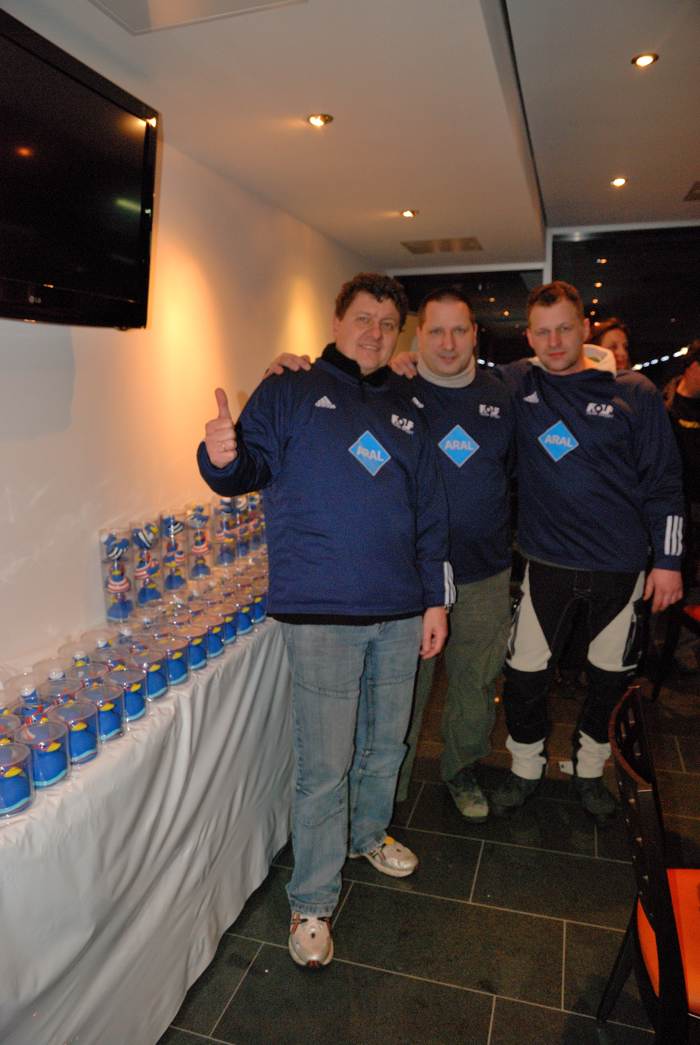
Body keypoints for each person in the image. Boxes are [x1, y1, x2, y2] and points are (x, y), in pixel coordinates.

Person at [197, 272, 453, 969]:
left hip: (400, 609)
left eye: (387, 324)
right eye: (363, 318)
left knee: (387, 744)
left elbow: (431, 510)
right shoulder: (289, 388)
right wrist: (217, 456)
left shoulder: (409, 404)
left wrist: (435, 600)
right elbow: (242, 468)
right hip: (320, 611)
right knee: (324, 765)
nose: (375, 332)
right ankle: (311, 899)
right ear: (336, 321)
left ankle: (368, 835)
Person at [267, 288, 514, 821]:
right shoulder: (393, 386)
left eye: (459, 330)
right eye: (435, 331)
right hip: (412, 580)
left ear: (475, 335)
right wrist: (289, 368)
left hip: (484, 571)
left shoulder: (503, 394)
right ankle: (389, 794)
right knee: (404, 698)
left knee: (474, 682)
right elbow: (335, 383)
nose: (448, 343)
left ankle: (461, 770)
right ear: (417, 337)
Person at [487, 281, 684, 825]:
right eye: (543, 332)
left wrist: (669, 562)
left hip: (619, 567)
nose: (554, 342)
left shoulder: (634, 392)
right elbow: (451, 376)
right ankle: (526, 767)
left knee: (609, 679)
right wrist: (405, 362)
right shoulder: (518, 383)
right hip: (546, 562)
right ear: (529, 337)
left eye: (564, 329)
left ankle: (590, 770)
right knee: (524, 674)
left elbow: (665, 482)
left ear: (585, 329)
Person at [662, 338, 700, 672]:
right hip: (671, 508)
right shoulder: (664, 404)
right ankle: (656, 646)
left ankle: (685, 649)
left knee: (694, 584)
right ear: (691, 366)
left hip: (697, 507)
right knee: (667, 576)